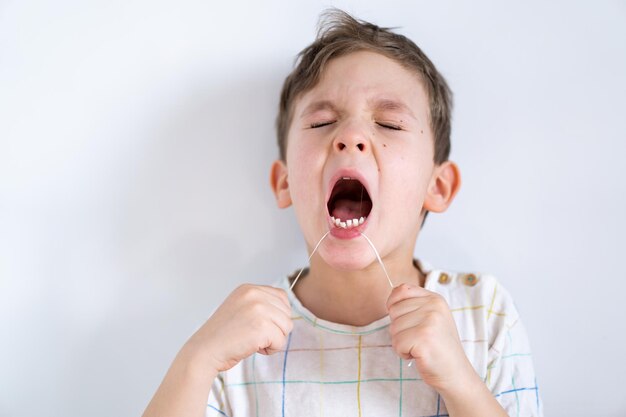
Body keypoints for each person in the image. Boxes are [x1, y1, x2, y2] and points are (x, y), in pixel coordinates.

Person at [143, 9, 542, 417]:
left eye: (389, 124)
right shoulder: (235, 338)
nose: (350, 137)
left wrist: (460, 382)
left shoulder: (483, 313)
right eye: (323, 123)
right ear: (285, 183)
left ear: (436, 187)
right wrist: (196, 362)